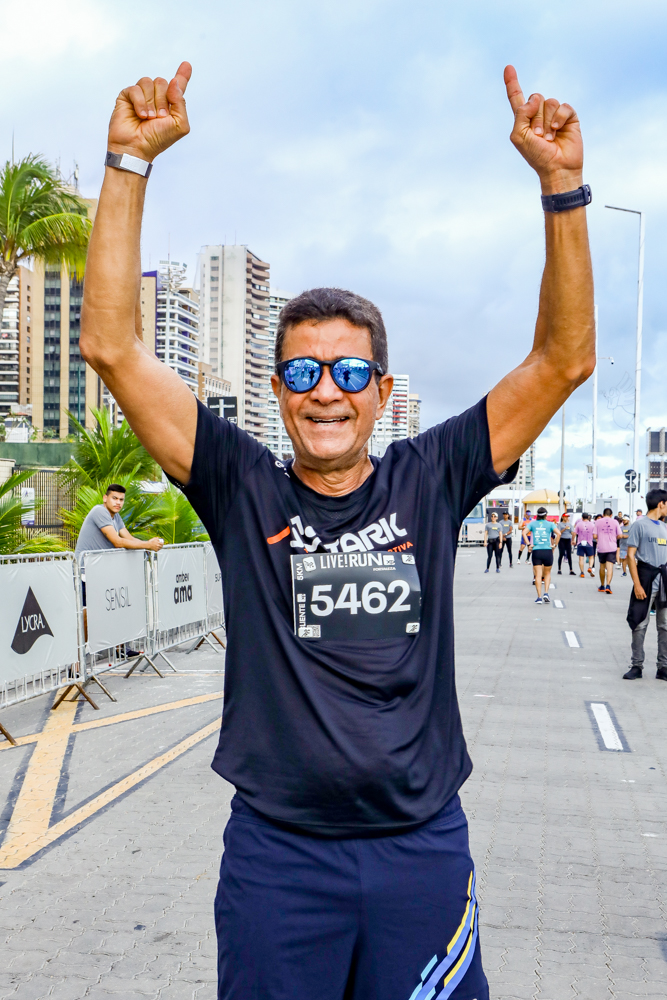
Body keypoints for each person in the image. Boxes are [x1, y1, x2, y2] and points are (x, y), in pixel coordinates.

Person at [79, 61, 595, 1000]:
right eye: (304, 373)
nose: (327, 392)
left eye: (351, 374)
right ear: (277, 390)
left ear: (382, 393)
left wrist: (561, 188)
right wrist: (127, 162)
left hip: (419, 850)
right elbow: (113, 347)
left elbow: (563, 360)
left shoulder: (431, 475)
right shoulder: (240, 485)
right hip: (279, 861)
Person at [74, 484, 164, 654]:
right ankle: (77, 660)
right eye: (114, 498)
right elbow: (117, 541)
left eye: (121, 499)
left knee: (118, 607)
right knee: (86, 615)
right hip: (85, 573)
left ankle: (121, 648)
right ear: (105, 498)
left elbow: (128, 538)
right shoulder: (99, 511)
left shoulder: (116, 517)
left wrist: (149, 545)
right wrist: (147, 545)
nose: (118, 502)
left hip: (103, 574)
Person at [622, 490, 667, 681]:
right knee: (640, 623)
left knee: (664, 625)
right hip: (645, 577)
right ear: (661, 504)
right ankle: (637, 665)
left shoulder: (665, 527)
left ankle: (663, 667)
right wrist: (637, 585)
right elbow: (630, 556)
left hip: (664, 579)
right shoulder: (639, 525)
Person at [523, 507, 560, 603]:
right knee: (547, 573)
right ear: (546, 515)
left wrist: (528, 544)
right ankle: (546, 593)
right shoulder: (550, 524)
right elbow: (559, 533)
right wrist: (555, 545)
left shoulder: (532, 524)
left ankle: (539, 597)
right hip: (547, 550)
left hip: (536, 551)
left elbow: (524, 532)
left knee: (538, 575)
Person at [594, 506, 622, 594]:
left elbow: (594, 536)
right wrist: (614, 537)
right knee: (610, 567)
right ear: (611, 515)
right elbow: (620, 535)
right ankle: (608, 585)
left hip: (601, 547)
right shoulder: (615, 522)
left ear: (603, 514)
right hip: (612, 547)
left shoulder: (598, 522)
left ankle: (602, 585)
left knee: (602, 566)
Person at [573, 512, 595, 577]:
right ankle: (590, 567)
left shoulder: (579, 524)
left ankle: (582, 572)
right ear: (588, 517)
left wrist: (573, 540)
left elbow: (574, 533)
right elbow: (595, 534)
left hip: (580, 542)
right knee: (591, 557)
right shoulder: (592, 524)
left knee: (581, 558)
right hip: (589, 542)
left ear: (582, 517)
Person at [556, 511, 575, 575]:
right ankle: (559, 569)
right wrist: (564, 529)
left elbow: (572, 532)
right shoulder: (560, 524)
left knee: (569, 555)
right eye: (565, 517)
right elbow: (558, 532)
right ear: (562, 517)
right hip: (562, 539)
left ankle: (571, 569)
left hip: (568, 540)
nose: (566, 518)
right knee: (561, 554)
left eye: (567, 517)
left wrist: (573, 536)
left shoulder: (570, 524)